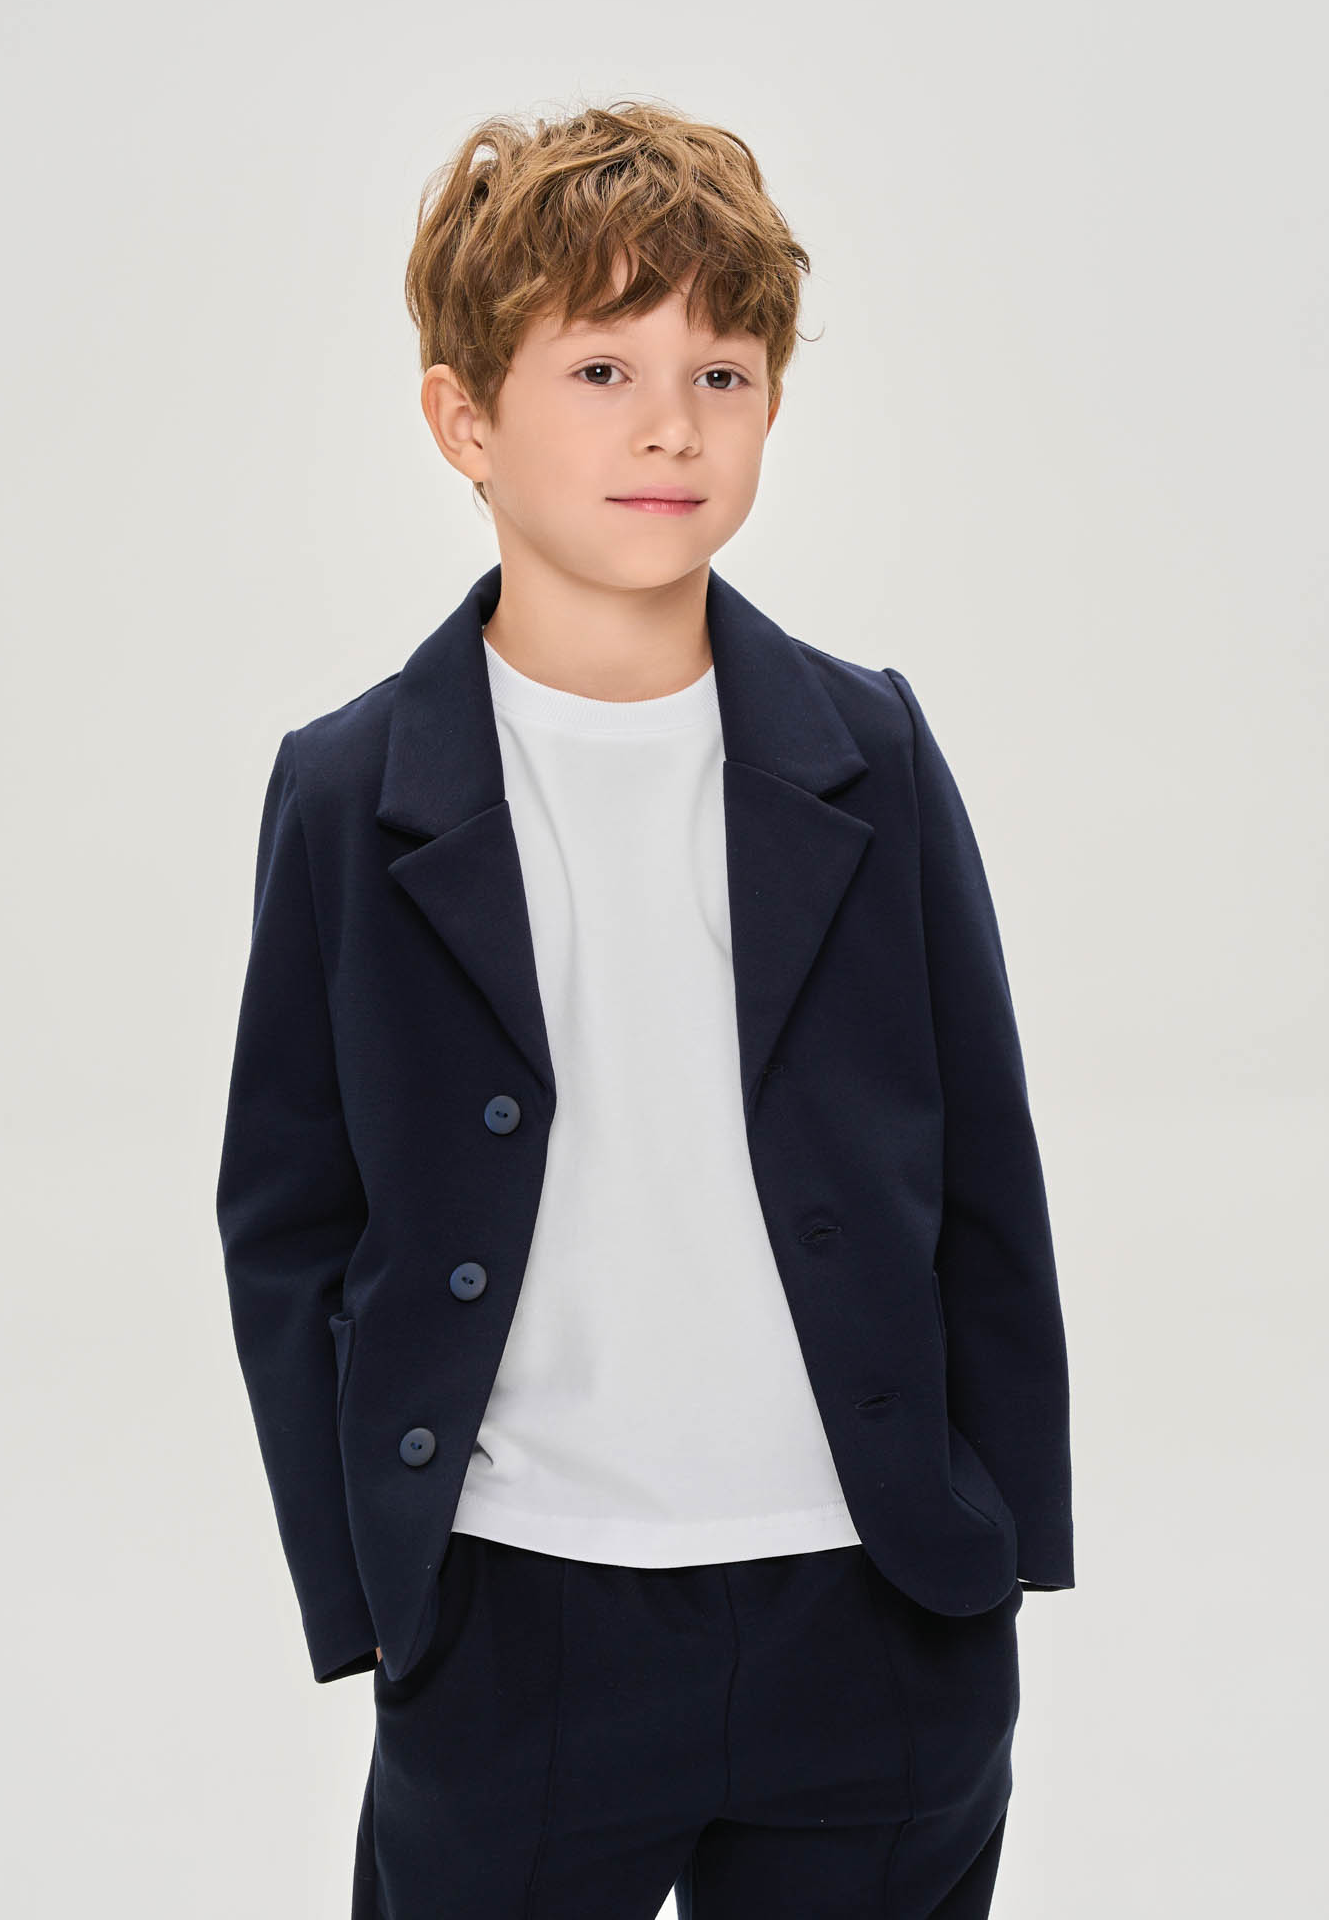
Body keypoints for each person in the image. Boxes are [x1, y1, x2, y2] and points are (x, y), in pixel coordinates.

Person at [216, 98, 1075, 1920]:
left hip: (873, 1607)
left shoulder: (869, 749)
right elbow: (289, 1220)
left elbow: (981, 1168)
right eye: (601, 367)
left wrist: (992, 1541)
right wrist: (374, 1596)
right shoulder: (348, 788)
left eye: (723, 373)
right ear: (463, 418)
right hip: (516, 1617)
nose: (671, 423)